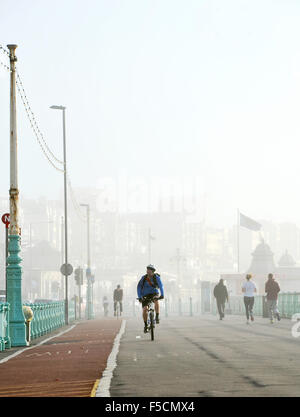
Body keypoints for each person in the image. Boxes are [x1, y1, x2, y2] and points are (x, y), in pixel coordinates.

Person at [137, 264, 164, 333]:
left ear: (153, 271)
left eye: (149, 270)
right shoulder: (144, 278)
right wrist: (140, 297)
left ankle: (157, 316)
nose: (148, 271)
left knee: (156, 300)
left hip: (154, 293)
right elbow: (139, 287)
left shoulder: (156, 277)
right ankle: (146, 325)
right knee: (145, 309)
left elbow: (161, 286)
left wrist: (162, 294)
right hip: (145, 294)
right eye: (147, 270)